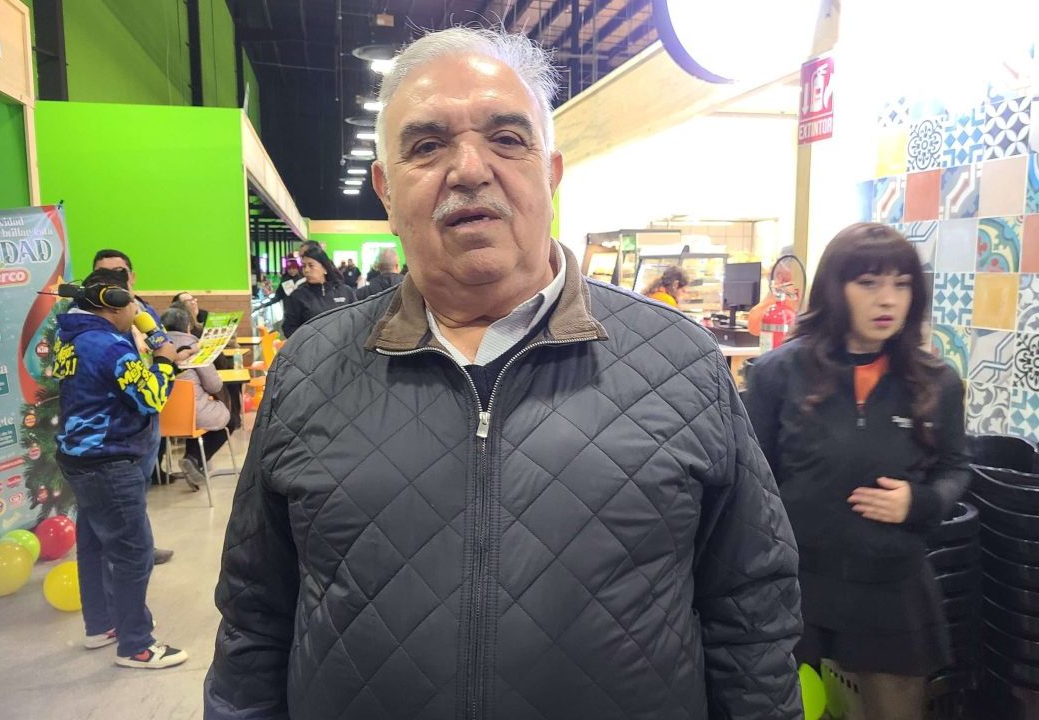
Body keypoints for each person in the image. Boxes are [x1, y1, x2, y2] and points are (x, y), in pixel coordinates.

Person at [206, 27, 801, 720]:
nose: (469, 169)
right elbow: (255, 617)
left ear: (551, 174)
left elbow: (751, 610)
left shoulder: (681, 364)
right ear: (386, 191)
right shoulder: (308, 371)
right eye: (427, 146)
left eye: (508, 139)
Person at [743, 223, 969, 720]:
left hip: (889, 587)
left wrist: (921, 502)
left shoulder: (935, 381)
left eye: (901, 284)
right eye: (868, 283)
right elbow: (754, 480)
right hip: (797, 585)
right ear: (835, 288)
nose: (887, 299)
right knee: (790, 708)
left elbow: (956, 467)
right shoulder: (778, 373)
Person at [53, 268, 188, 669]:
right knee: (133, 553)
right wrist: (165, 362)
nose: (138, 310)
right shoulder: (109, 347)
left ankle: (102, 625)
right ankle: (136, 645)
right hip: (109, 461)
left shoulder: (73, 337)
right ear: (111, 304)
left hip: (81, 457)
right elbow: (150, 399)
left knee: (94, 546)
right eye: (133, 302)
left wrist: (154, 340)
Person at [91, 249, 175, 566]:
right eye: (106, 274)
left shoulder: (144, 311)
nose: (114, 281)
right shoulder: (91, 322)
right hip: (115, 423)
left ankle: (141, 545)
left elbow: (160, 343)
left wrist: (168, 358)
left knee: (139, 486)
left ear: (132, 276)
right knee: (117, 495)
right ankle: (127, 554)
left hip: (147, 413)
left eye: (120, 273)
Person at [161, 307, 231, 490]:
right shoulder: (195, 347)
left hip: (161, 417)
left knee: (201, 416)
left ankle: (190, 463)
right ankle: (194, 459)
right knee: (228, 421)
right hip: (192, 413)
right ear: (188, 327)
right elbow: (214, 385)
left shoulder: (155, 347)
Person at [279, 247, 356, 337]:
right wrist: (310, 338)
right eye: (304, 266)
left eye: (311, 265)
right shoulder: (298, 296)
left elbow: (357, 320)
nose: (306, 270)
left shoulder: (345, 292)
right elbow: (289, 328)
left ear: (325, 268)